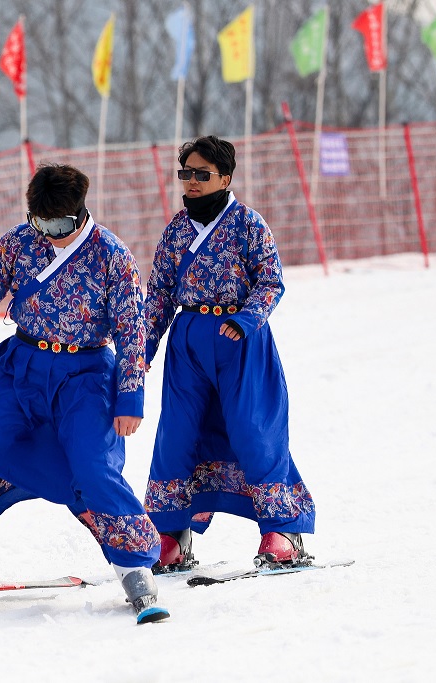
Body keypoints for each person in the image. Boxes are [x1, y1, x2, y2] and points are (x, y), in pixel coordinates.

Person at [0, 164, 167, 623]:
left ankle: (133, 565)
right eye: (41, 223)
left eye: (60, 224)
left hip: (85, 376)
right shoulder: (18, 242)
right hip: (21, 367)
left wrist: (130, 397)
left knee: (93, 468)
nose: (50, 233)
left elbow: (133, 332)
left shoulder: (112, 256)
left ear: (81, 212)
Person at [142, 136, 315, 572]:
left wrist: (247, 318)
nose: (192, 181)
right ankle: (171, 532)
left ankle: (282, 531)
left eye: (202, 174)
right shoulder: (176, 230)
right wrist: (142, 349)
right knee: (177, 435)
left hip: (240, 340)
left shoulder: (248, 224)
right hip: (189, 342)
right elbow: (159, 293)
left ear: (225, 177)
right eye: (186, 173)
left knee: (253, 431)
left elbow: (270, 281)